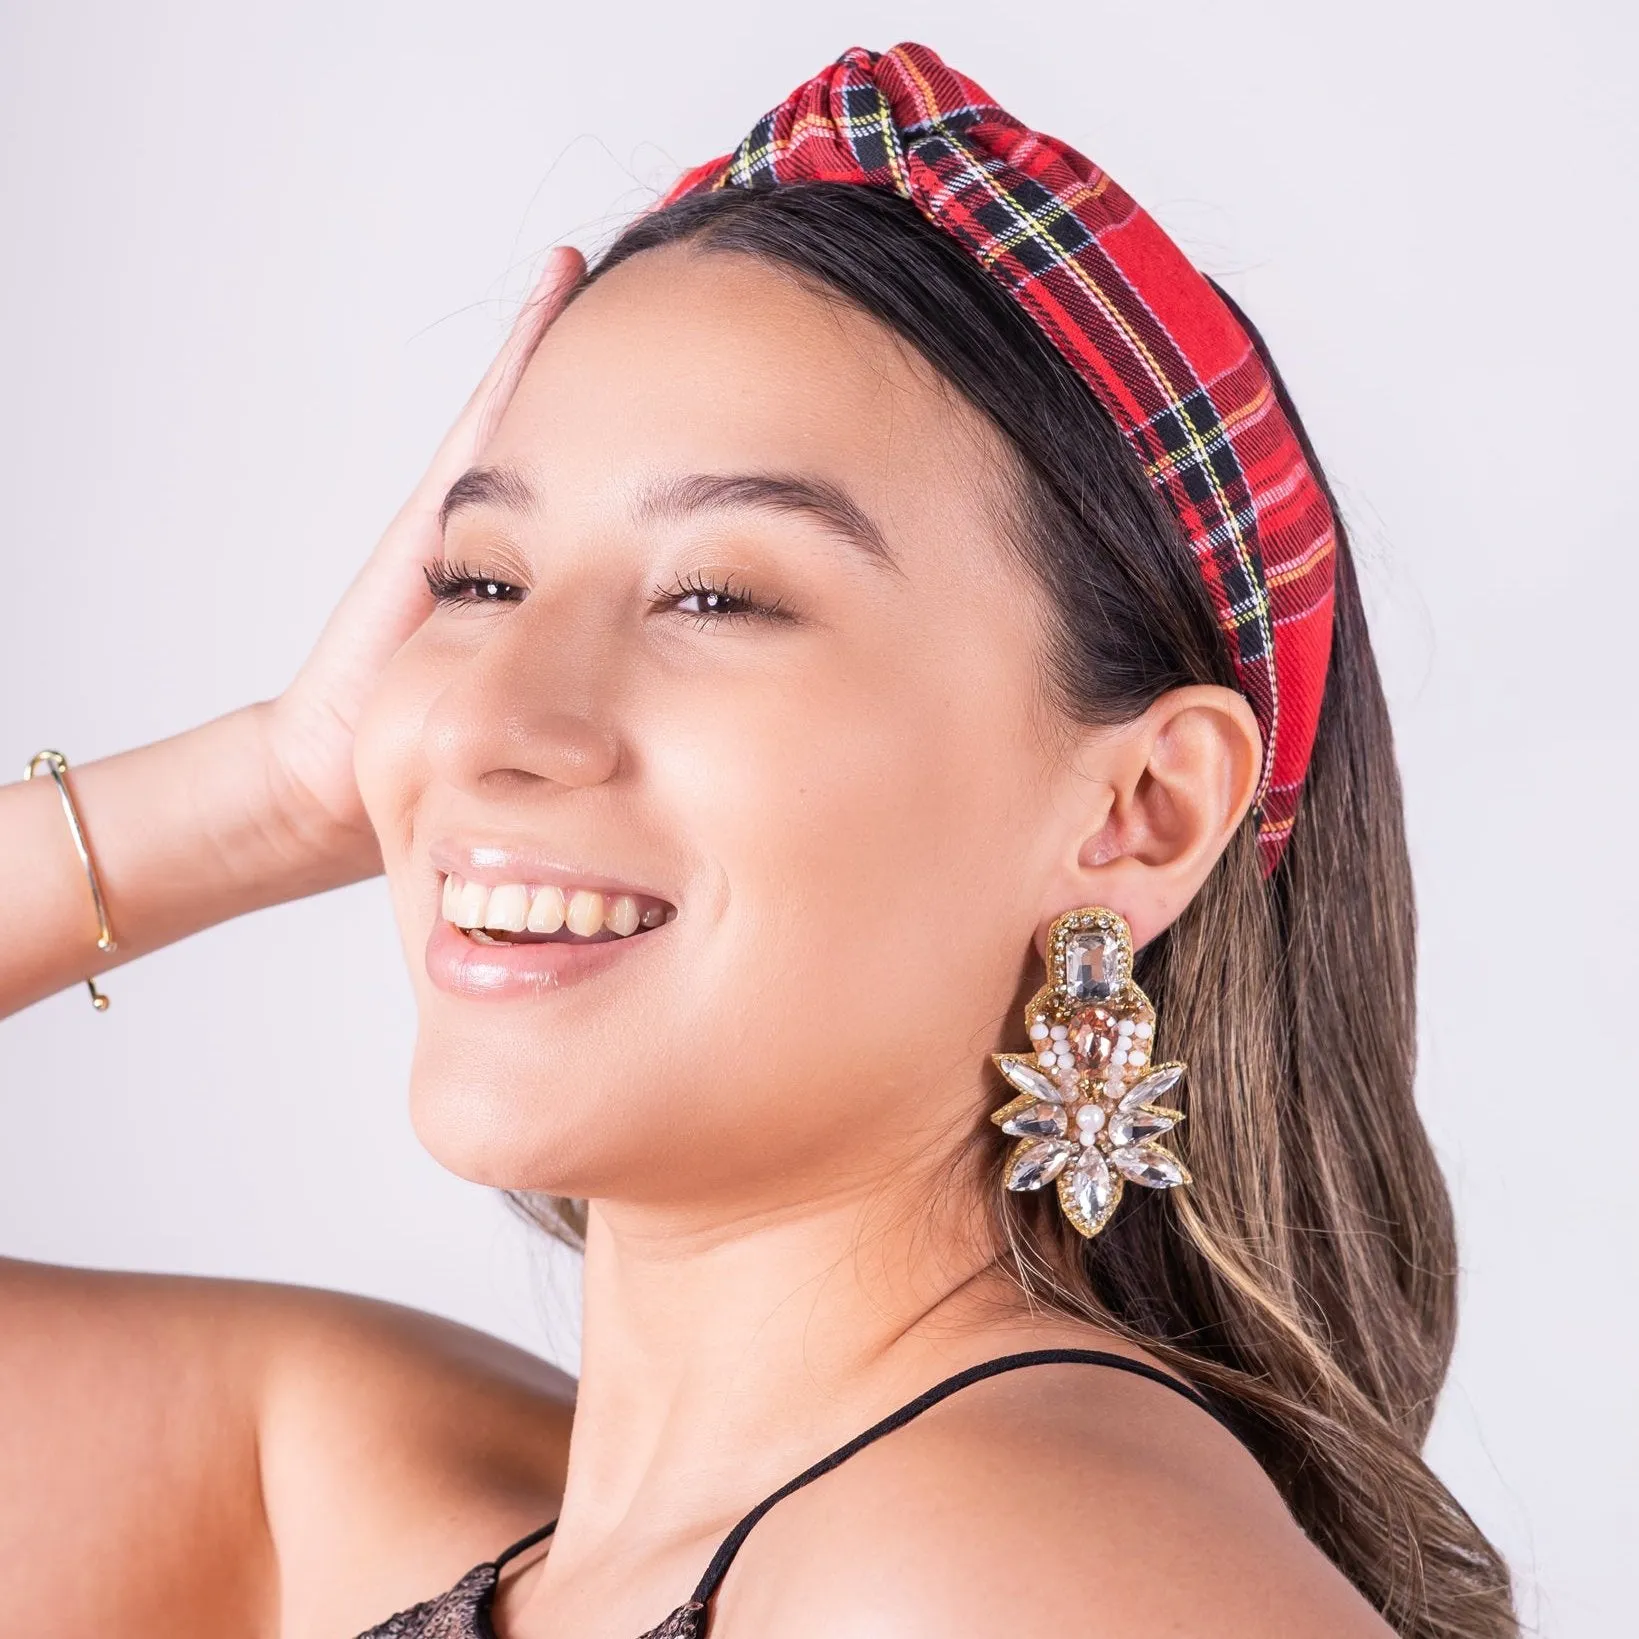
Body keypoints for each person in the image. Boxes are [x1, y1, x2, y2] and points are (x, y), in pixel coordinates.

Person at [0, 42, 1517, 1639]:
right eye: (482, 582)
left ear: (1138, 811)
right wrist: (281, 786)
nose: (492, 715)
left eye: (715, 596)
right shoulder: (393, 1508)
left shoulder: (1008, 1568)